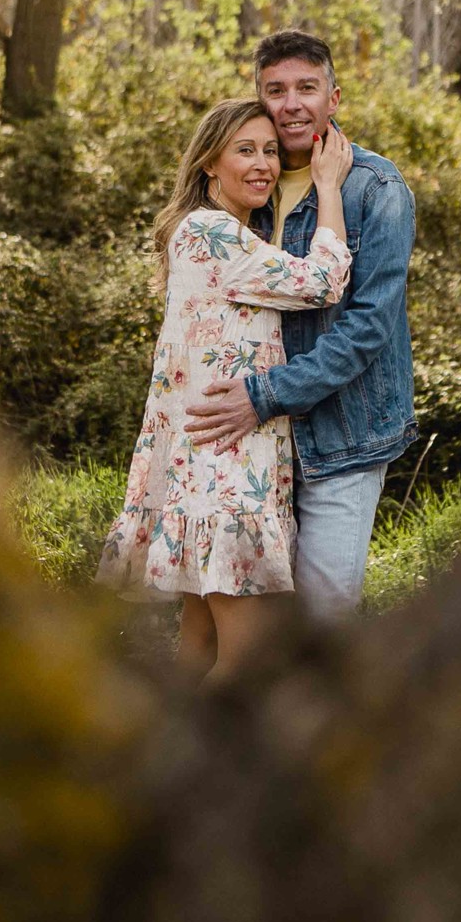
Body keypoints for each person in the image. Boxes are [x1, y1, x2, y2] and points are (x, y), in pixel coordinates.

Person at [94, 97, 355, 683]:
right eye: (245, 150)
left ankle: (158, 765)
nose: (262, 163)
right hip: (226, 478)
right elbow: (321, 283)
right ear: (210, 163)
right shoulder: (211, 233)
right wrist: (329, 186)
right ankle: (193, 775)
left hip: (209, 471)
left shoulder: (220, 235)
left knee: (199, 648)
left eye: (269, 150)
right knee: (244, 663)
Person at [185, 31, 417, 621]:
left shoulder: (376, 188)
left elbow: (368, 329)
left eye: (306, 88)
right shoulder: (248, 185)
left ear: (333, 97)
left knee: (323, 618)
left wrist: (264, 395)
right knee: (257, 624)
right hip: (259, 448)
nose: (291, 104)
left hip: (343, 436)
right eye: (276, 90)